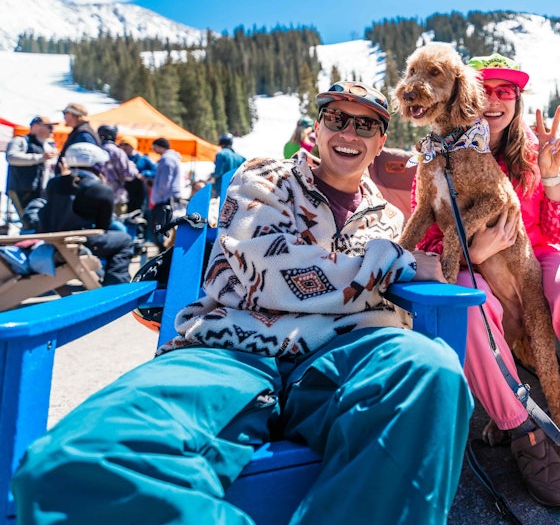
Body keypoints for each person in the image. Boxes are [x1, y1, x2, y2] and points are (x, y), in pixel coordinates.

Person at [13, 81, 472, 525]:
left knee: (430, 368)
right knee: (78, 464)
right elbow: (269, 272)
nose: (349, 133)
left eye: (365, 126)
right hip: (232, 349)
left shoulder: (391, 219)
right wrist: (388, 263)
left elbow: (423, 267)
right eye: (337, 118)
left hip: (343, 359)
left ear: (381, 142)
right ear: (317, 129)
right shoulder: (265, 179)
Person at [411, 54, 560, 507]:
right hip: (474, 265)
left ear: (517, 101)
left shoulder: (528, 149)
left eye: (506, 91)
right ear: (464, 94)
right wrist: (474, 250)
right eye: (484, 89)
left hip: (535, 257)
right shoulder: (441, 149)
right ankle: (523, 432)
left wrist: (550, 177)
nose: (493, 100)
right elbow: (426, 230)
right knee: (470, 300)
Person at [37, 143, 134, 285]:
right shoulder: (101, 189)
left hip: (52, 241)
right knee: (124, 239)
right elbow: (103, 227)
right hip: (81, 242)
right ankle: (116, 285)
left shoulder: (53, 183)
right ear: (96, 165)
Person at [5, 116, 57, 222]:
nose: (52, 130)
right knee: (27, 220)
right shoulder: (20, 141)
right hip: (21, 189)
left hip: (39, 190)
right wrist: (40, 157)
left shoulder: (46, 145)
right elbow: (11, 157)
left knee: (37, 220)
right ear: (35, 126)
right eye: (48, 127)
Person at [149, 137, 183, 249]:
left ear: (159, 146)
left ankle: (162, 251)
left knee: (161, 228)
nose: (154, 150)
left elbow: (164, 182)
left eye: (154, 147)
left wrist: (157, 197)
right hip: (169, 198)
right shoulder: (173, 158)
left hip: (165, 199)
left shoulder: (167, 159)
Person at [97, 125, 138, 214]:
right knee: (116, 227)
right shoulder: (118, 152)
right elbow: (129, 175)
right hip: (116, 198)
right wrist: (132, 166)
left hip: (97, 197)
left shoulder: (95, 150)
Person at [119, 135, 156, 214]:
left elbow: (156, 171)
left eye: (126, 144)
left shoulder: (143, 158)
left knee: (138, 210)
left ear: (133, 146)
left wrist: (144, 174)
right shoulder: (121, 158)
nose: (123, 147)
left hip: (139, 189)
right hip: (124, 188)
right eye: (121, 145)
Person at [211, 133, 246, 198]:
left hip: (221, 188)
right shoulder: (241, 158)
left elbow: (218, 172)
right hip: (235, 190)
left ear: (222, 143)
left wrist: (211, 176)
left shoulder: (221, 154)